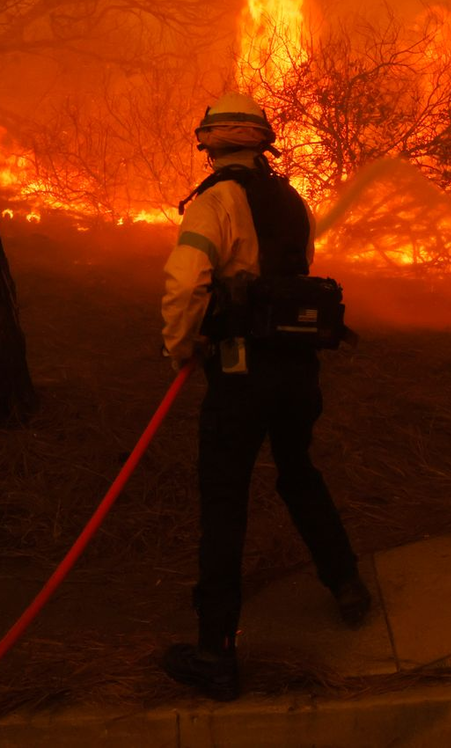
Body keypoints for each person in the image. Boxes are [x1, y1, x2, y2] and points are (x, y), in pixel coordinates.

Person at [159, 92, 371, 701]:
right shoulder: (295, 203)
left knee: (224, 500)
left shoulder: (214, 203)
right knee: (298, 471)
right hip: (298, 373)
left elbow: (184, 283)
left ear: (209, 143)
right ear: (263, 143)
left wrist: (180, 347)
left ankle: (215, 653)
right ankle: (347, 582)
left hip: (241, 374)